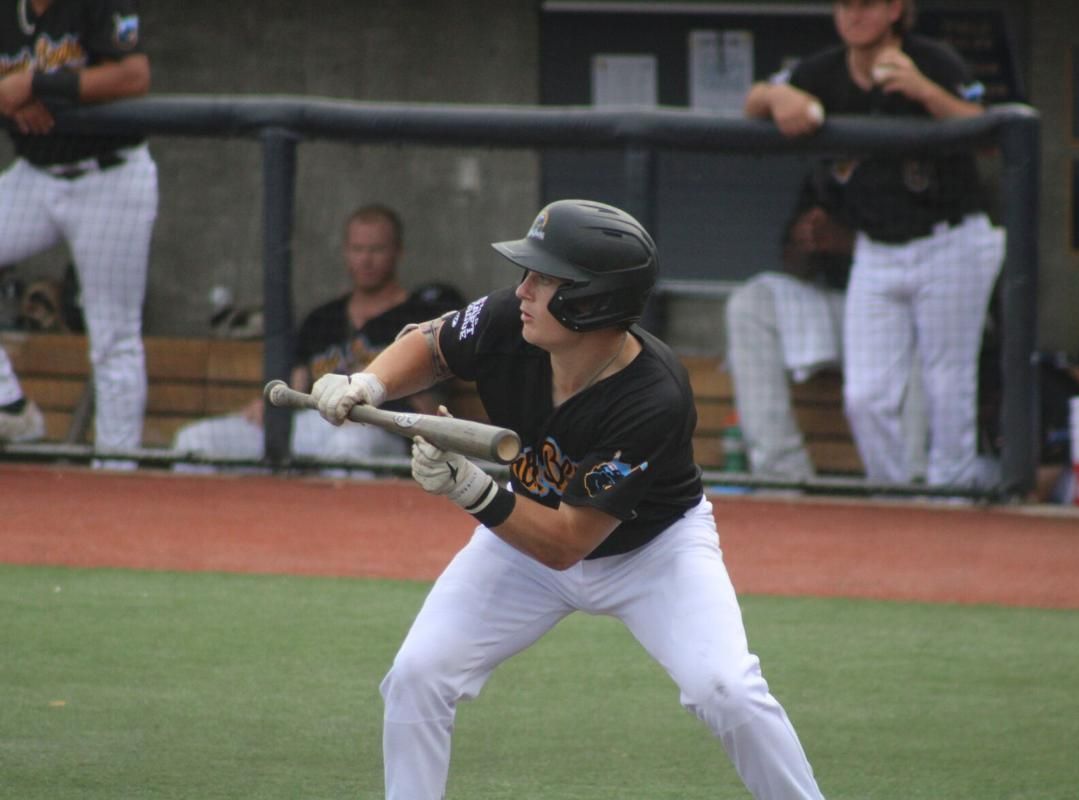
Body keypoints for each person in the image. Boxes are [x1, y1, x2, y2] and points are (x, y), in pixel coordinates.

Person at [311, 199, 826, 799]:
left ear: (593, 301)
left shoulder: (653, 399)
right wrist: (367, 382)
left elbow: (565, 544)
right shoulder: (514, 318)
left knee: (728, 690)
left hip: (652, 553)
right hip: (521, 536)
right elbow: (433, 345)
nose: (523, 289)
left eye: (546, 278)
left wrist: (468, 488)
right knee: (418, 676)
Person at [744, 0, 1005, 488]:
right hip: (878, 247)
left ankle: (952, 500)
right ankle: (893, 494)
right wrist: (777, 98)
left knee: (946, 384)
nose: (853, 15)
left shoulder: (933, 59)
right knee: (865, 397)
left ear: (894, 9)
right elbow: (754, 99)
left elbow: (990, 133)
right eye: (845, 5)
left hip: (949, 240)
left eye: (866, 4)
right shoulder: (822, 69)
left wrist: (924, 91)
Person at [172, 204, 462, 471]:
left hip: (378, 429)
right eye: (358, 249)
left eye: (376, 249)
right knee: (193, 440)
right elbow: (297, 383)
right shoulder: (323, 318)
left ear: (398, 252)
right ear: (345, 252)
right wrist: (269, 410)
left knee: (345, 447)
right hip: (315, 424)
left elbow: (430, 405)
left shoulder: (420, 317)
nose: (366, 259)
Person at [0, 0, 157, 457]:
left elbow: (134, 77)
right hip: (35, 175)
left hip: (109, 178)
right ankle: (9, 406)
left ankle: (116, 468)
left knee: (113, 338)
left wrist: (39, 85)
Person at [725, 160, 926, 482]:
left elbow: (928, 256)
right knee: (751, 302)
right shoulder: (823, 175)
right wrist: (807, 239)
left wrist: (852, 242)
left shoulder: (909, 167)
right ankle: (781, 476)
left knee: (930, 328)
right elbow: (794, 267)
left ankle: (912, 483)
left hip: (901, 310)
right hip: (839, 307)